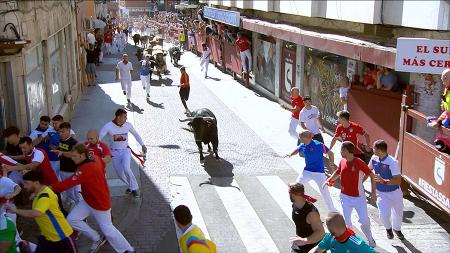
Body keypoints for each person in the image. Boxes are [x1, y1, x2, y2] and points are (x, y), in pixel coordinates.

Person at [51, 144, 136, 253]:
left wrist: (50, 187)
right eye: (72, 156)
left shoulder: (85, 169)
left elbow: (67, 184)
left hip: (99, 203)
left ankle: (128, 250)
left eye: (74, 156)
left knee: (108, 230)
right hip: (89, 200)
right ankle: (96, 238)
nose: (72, 158)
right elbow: (102, 163)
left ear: (82, 155)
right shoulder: (95, 157)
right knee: (72, 219)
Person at [6, 171, 77, 253]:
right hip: (47, 236)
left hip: (61, 237)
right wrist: (35, 194)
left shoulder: (45, 197)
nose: (24, 186)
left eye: (27, 183)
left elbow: (36, 213)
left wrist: (16, 210)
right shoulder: (41, 191)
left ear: (36, 183)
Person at [324, 141, 377, 247]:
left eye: (342, 149)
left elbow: (371, 175)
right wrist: (330, 179)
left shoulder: (359, 162)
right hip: (345, 196)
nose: (340, 151)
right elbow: (338, 172)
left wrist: (373, 193)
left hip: (359, 198)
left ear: (347, 151)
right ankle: (351, 242)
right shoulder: (342, 161)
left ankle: (370, 239)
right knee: (347, 221)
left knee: (364, 220)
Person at [99, 109, 146, 198]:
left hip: (125, 151)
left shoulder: (127, 125)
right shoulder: (108, 126)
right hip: (114, 152)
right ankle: (131, 186)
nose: (126, 118)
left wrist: (142, 145)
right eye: (124, 117)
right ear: (118, 117)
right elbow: (99, 138)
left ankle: (135, 189)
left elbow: (136, 134)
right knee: (120, 174)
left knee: (127, 168)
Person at [286, 130, 337, 212]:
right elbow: (298, 149)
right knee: (295, 188)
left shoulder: (318, 145)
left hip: (319, 173)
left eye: (302, 138)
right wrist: (290, 154)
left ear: (308, 138)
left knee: (325, 192)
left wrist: (331, 164)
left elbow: (331, 153)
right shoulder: (303, 144)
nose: (300, 140)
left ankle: (333, 210)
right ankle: (297, 204)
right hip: (307, 172)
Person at [369, 140, 405, 240]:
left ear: (379, 150)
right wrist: (359, 182)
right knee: (383, 215)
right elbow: (368, 171)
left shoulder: (392, 162)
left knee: (398, 213)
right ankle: (388, 229)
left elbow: (398, 181)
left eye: (374, 148)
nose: (372, 150)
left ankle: (397, 229)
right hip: (381, 193)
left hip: (395, 193)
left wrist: (384, 181)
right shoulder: (374, 158)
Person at [288, 183, 325, 253]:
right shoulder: (295, 204)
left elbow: (321, 232)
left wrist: (305, 240)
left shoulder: (311, 213)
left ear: (293, 195)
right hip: (300, 244)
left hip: (312, 247)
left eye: (289, 193)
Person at [314, 212, 378, 253]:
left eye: (327, 226)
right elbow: (318, 251)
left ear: (332, 229)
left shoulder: (356, 244)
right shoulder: (329, 237)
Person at [51, 122, 81, 206]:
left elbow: (73, 154)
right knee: (68, 191)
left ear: (69, 131)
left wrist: (61, 152)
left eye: (63, 132)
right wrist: (56, 150)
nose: (60, 134)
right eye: (59, 132)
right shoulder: (61, 140)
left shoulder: (74, 142)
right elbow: (62, 150)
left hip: (73, 171)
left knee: (76, 193)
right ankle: (73, 204)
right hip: (63, 170)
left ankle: (80, 210)